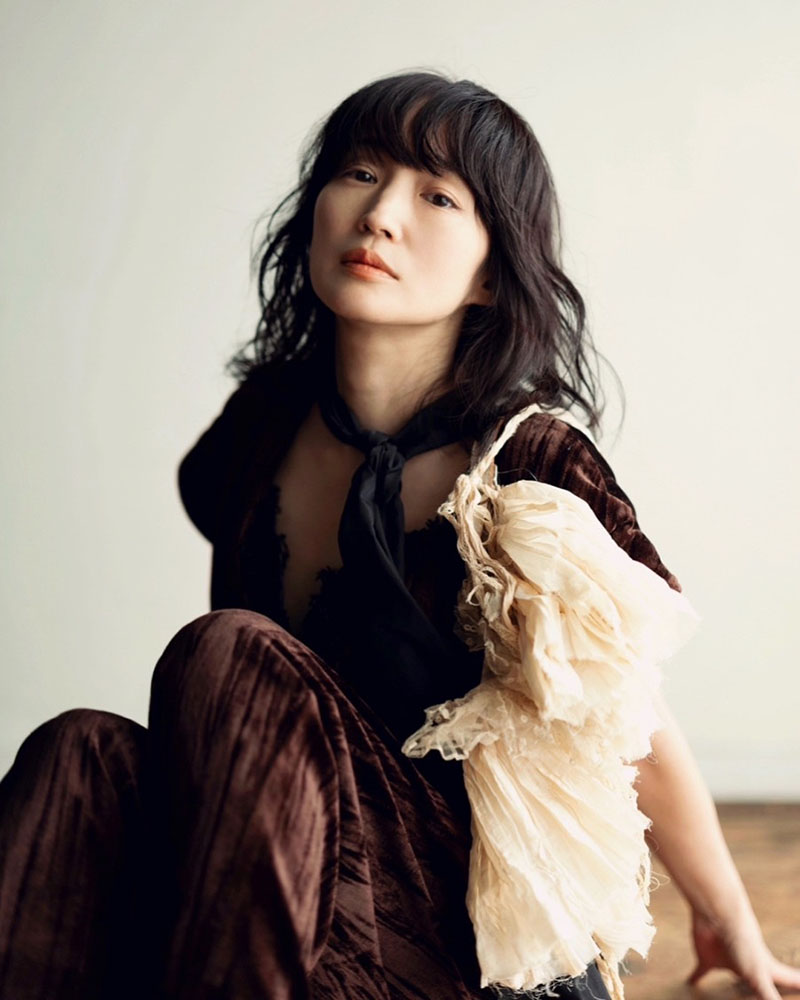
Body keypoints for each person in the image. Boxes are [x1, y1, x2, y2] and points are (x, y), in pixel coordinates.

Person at [0, 70, 797, 1000]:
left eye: (437, 197)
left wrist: (727, 917)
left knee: (232, 649)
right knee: (80, 753)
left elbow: (628, 717)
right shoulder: (263, 426)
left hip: (467, 938)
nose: (380, 215)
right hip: (277, 901)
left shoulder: (524, 464)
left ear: (492, 274)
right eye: (361, 173)